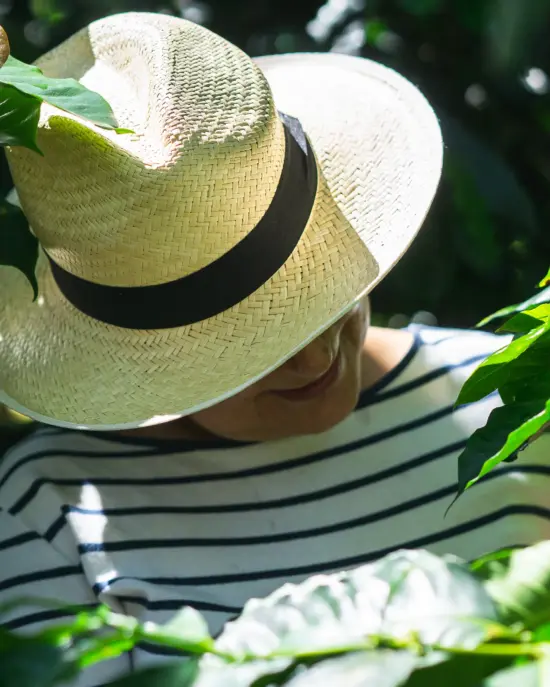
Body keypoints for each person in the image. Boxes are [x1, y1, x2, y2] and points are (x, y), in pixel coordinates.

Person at [0, 11, 549, 686]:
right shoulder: (47, 510)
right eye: (252, 348)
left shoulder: (523, 406)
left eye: (318, 301)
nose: (316, 361)